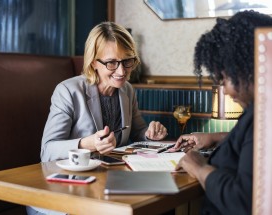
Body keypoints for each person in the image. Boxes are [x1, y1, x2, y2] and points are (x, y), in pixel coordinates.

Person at [27, 21, 168, 215]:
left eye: (128, 61)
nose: (121, 71)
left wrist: (151, 134)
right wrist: (88, 143)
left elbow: (137, 131)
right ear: (93, 61)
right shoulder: (68, 91)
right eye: (111, 63)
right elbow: (47, 151)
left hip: (105, 187)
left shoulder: (127, 90)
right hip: (62, 196)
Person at [168, 10, 272, 215]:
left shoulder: (262, 117)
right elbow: (256, 148)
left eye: (223, 79)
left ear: (245, 68)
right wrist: (216, 137)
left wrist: (199, 167)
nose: (225, 90)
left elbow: (244, 201)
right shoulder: (260, 112)